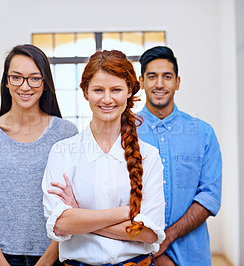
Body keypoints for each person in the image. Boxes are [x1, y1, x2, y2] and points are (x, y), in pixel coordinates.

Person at [42, 50, 165, 266]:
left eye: (116, 89)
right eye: (98, 90)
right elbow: (60, 225)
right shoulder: (62, 152)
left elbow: (149, 234)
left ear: (129, 91)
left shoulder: (149, 156)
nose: (107, 99)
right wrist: (128, 212)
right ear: (86, 92)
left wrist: (80, 216)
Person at [0, 44, 78, 266]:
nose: (25, 86)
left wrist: (47, 261)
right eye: (16, 77)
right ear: (6, 82)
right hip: (0, 257)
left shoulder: (66, 133)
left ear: (45, 82)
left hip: (55, 257)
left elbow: (74, 205)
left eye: (34, 78)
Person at [137, 46, 222, 266]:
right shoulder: (126, 131)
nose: (159, 84)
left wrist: (167, 238)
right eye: (152, 76)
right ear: (141, 81)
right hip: (138, 254)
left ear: (177, 82)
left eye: (167, 76)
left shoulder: (203, 133)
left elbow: (209, 197)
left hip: (193, 255)